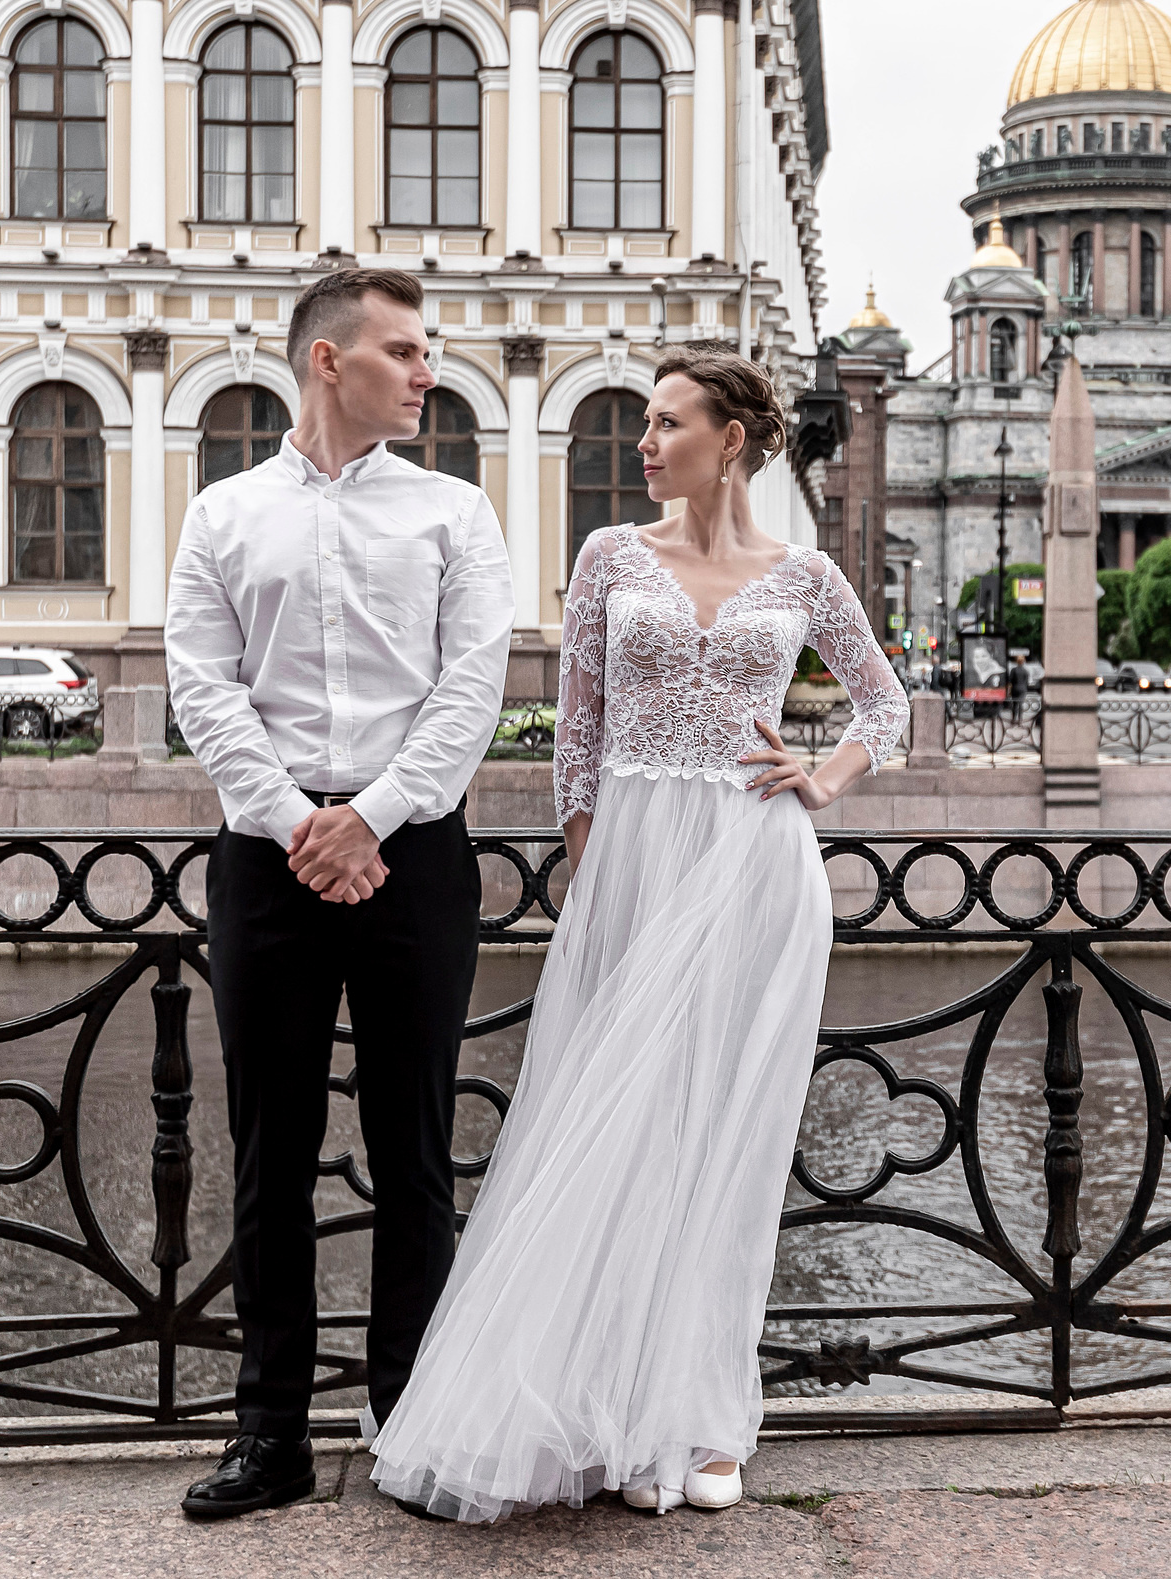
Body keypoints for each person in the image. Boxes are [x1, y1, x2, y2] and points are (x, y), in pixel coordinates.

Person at [365, 344, 908, 1524]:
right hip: (632, 860)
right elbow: (577, 734)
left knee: (723, 1139)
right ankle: (593, 1406)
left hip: (755, 865)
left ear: (732, 440)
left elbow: (886, 701)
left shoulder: (805, 573)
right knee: (608, 1127)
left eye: (667, 424)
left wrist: (821, 779)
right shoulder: (610, 557)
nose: (644, 443)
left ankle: (699, 1412)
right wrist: (590, 872)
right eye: (646, 423)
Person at [165, 268, 513, 1519]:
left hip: (412, 849)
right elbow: (203, 687)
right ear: (329, 360)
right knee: (270, 1152)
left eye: (425, 353)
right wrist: (294, 822)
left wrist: (369, 818)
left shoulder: (454, 513)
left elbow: (471, 690)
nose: (427, 372)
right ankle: (270, 1436)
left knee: (413, 1148)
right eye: (404, 351)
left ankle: (410, 1421)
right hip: (268, 858)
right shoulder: (223, 515)